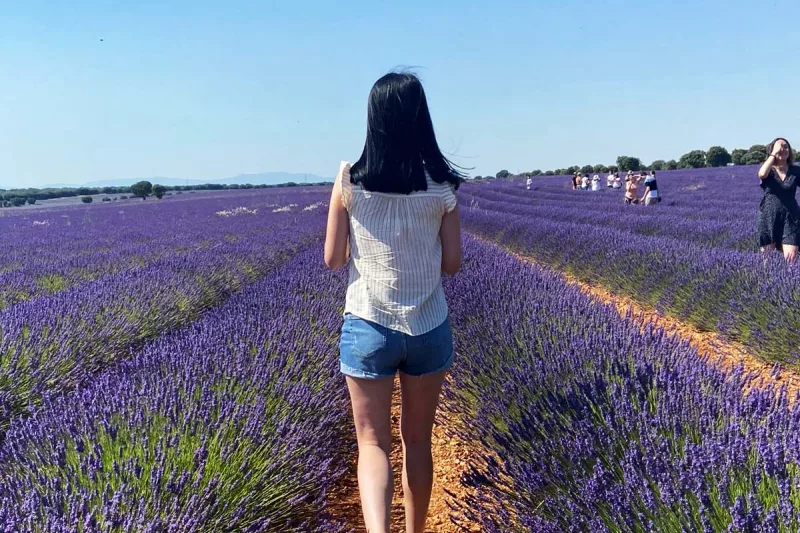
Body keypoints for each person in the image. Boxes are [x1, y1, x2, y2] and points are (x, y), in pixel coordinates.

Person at [324, 72, 462, 533]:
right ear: (420, 118)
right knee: (418, 442)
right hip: (428, 326)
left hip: (369, 324)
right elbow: (453, 264)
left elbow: (332, 259)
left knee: (372, 444)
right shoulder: (442, 186)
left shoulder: (348, 179)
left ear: (374, 118)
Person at [757, 137, 799, 264]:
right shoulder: (768, 170)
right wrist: (773, 155)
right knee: (767, 264)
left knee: (791, 261)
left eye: (786, 147)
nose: (783, 149)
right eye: (779, 147)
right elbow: (761, 174)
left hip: (791, 218)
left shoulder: (795, 170)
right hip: (768, 217)